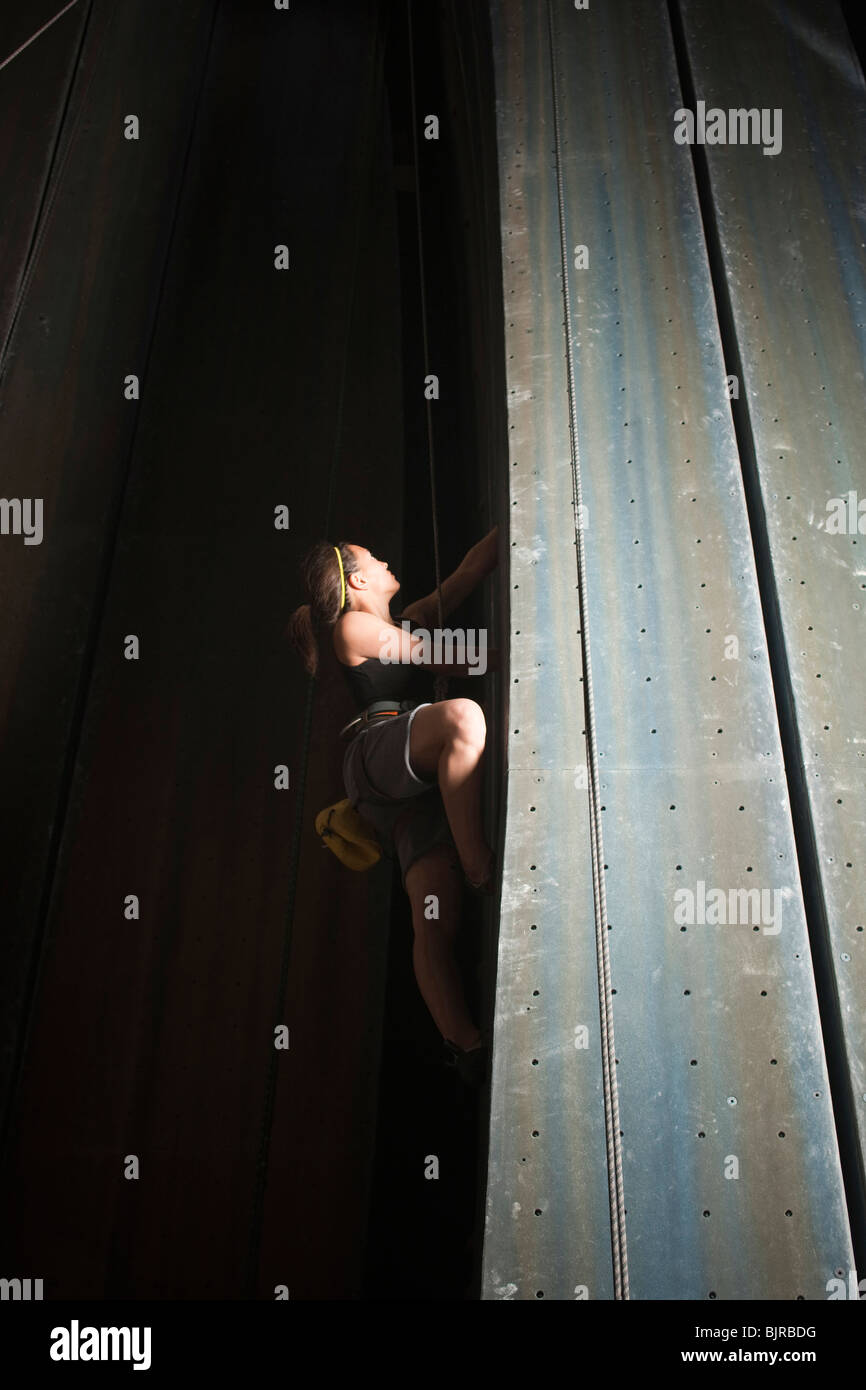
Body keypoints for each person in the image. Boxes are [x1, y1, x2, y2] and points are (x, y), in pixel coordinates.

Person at [286, 528, 499, 1085]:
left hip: (400, 787)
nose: (384, 559)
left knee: (432, 907)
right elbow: (437, 657)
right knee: (462, 718)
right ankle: (479, 867)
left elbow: (469, 571)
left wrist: (510, 529)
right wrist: (515, 658)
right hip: (377, 756)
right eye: (373, 558)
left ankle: (465, 1044)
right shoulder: (356, 626)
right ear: (358, 580)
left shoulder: (409, 617)